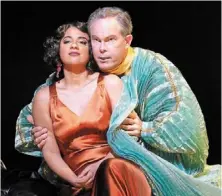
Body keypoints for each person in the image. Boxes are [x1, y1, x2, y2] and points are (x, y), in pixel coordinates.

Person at [15, 7, 221, 196]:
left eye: (110, 39)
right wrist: (39, 130)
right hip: (79, 171)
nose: (102, 48)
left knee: (112, 171)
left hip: (134, 161)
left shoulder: (150, 68)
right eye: (96, 40)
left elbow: (186, 124)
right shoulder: (71, 76)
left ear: (127, 40)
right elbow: (40, 109)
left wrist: (146, 129)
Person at [30, 21, 152, 196]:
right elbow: (50, 150)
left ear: (91, 50)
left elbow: (127, 136)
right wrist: (73, 179)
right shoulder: (44, 97)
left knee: (110, 169)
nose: (74, 45)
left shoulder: (110, 83)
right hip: (79, 179)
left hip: (119, 166)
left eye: (82, 41)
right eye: (67, 41)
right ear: (57, 49)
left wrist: (102, 164)